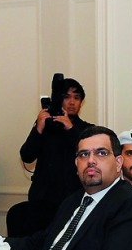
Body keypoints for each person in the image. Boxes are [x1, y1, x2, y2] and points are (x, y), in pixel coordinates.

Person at [15, 78, 91, 236]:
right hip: (42, 199)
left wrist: (70, 128)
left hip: (72, 198)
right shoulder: (46, 126)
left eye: (76, 98)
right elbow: (26, 156)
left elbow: (88, 155)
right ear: (58, 99)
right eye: (67, 97)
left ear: (81, 103)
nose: (71, 102)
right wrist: (39, 128)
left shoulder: (86, 129)